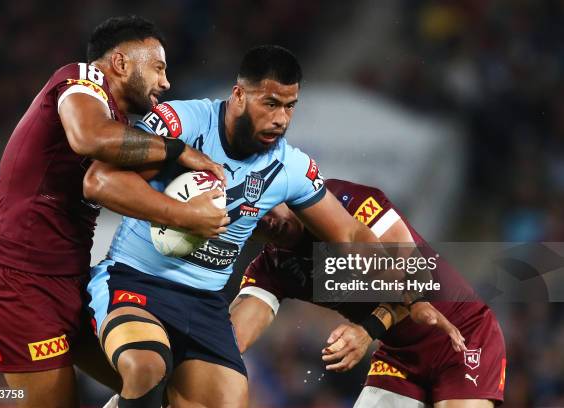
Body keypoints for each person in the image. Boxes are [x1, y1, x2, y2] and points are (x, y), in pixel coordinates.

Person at [85, 44, 455, 408]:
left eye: (290, 106)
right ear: (239, 95)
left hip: (204, 303)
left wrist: (410, 289)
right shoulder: (180, 123)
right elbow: (99, 182)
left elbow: (350, 234)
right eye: (271, 104)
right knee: (146, 366)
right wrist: (181, 215)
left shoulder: (289, 166)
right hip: (135, 278)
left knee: (229, 400)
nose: (281, 119)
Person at [0, 15, 228, 408]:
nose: (166, 82)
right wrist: (178, 151)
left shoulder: (121, 127)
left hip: (71, 283)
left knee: (161, 385)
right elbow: (89, 137)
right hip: (17, 285)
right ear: (120, 64)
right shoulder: (81, 79)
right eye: (158, 67)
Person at [231, 178, 507, 407]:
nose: (264, 219)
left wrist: (367, 330)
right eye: (250, 217)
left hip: (463, 334)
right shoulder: (272, 268)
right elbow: (230, 339)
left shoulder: (347, 201)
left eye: (265, 205)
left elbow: (418, 275)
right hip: (399, 355)